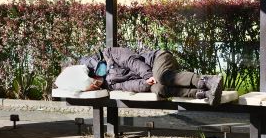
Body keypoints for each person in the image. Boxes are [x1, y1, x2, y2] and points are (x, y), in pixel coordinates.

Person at [80, 47, 223, 106]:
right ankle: (204, 94)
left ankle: (208, 80)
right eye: (94, 81)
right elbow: (128, 86)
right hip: (150, 77)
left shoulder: (111, 53)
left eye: (99, 70)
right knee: (158, 89)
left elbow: (132, 61)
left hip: (158, 58)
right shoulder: (109, 84)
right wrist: (146, 83)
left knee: (161, 76)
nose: (97, 79)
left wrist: (147, 75)